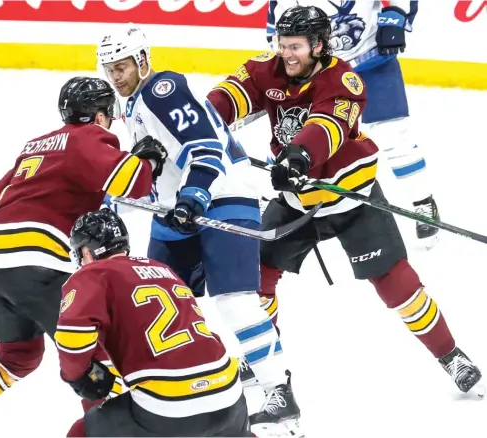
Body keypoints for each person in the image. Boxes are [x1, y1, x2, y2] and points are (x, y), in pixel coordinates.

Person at [207, 5, 483, 405]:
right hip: (296, 199)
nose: (287, 54)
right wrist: (197, 124)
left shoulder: (344, 80)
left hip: (349, 198)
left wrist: (297, 157)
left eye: (296, 46)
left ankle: (451, 356)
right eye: (282, 45)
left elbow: (327, 128)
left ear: (319, 46)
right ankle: (262, 355)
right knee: (256, 275)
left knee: (397, 283)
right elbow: (229, 96)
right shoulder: (267, 70)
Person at [97, 24, 302, 436]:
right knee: (150, 300)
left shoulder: (163, 90)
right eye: (109, 69)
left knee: (234, 299)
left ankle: (279, 394)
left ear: (141, 61)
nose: (115, 76)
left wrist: (195, 196)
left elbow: (205, 147)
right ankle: (166, 387)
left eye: (121, 66)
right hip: (177, 211)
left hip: (222, 196)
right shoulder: (133, 105)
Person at [0, 76, 167, 437]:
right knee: (96, 352)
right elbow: (129, 182)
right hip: (38, 265)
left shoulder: (35, 145)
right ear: (100, 115)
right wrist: (147, 158)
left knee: (17, 354)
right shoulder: (89, 137)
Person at [57, 209, 250, 437]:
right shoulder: (163, 269)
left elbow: (72, 334)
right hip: (229, 393)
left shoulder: (93, 274)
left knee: (81, 433)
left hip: (168, 404)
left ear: (88, 251)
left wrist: (77, 375)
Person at [266, 0, 440, 247]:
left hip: (372, 62)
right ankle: (284, 203)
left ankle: (423, 203)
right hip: (323, 73)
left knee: (393, 136)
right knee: (297, 136)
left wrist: (396, 14)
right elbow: (279, 35)